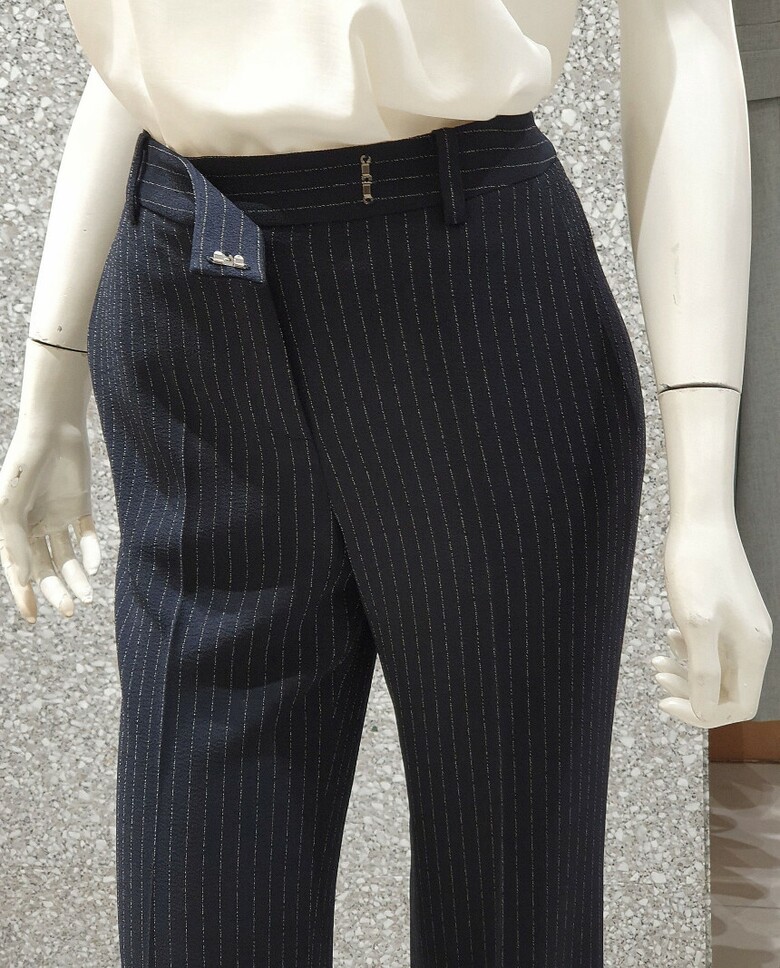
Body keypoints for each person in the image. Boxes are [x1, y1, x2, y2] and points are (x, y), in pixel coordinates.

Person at [0, 1, 772, 966]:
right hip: (188, 306)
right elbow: (142, 60)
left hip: (476, 308)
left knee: (511, 895)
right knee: (197, 893)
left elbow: (684, 28)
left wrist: (706, 507)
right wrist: (50, 384)